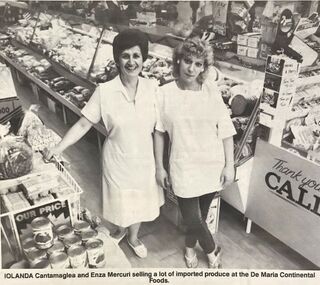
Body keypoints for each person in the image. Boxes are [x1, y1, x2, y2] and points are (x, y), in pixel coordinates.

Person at [45, 29, 164, 259]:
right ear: (118, 59)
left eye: (136, 56)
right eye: (125, 56)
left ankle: (133, 237)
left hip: (144, 158)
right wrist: (58, 148)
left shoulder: (153, 89)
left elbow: (159, 130)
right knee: (120, 201)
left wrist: (160, 166)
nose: (131, 62)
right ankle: (120, 229)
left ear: (144, 58)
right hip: (117, 158)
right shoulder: (105, 91)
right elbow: (82, 124)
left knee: (140, 199)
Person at [154, 38, 236, 268]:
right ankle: (212, 250)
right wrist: (159, 167)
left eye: (198, 64)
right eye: (187, 61)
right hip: (182, 164)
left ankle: (190, 246)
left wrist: (229, 165)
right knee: (191, 217)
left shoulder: (211, 91)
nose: (191, 68)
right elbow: (159, 132)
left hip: (211, 163)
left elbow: (226, 130)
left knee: (200, 213)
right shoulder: (164, 93)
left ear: (204, 68)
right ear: (178, 61)